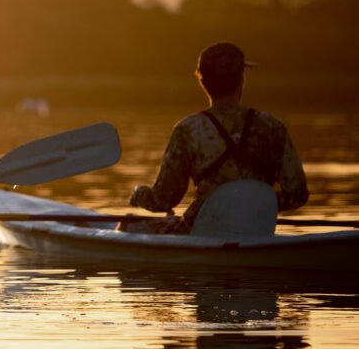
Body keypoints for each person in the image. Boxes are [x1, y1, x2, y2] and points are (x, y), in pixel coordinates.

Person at [120, 42, 308, 234]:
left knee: (127, 224)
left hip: (199, 231)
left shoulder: (188, 130)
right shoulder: (273, 126)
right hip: (257, 231)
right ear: (241, 80)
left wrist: (138, 194)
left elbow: (163, 200)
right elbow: (298, 195)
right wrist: (253, 206)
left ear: (202, 81)